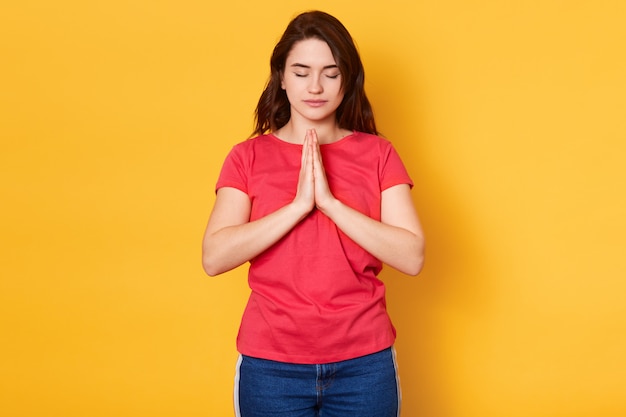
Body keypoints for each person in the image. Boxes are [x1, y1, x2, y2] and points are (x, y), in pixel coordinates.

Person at [202, 10, 425, 417]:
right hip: (271, 367)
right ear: (281, 78)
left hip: (365, 365)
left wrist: (331, 204)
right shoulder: (247, 157)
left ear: (348, 80)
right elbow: (214, 257)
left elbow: (412, 257)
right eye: (302, 72)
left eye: (331, 73)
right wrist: (298, 207)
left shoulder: (379, 154)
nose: (316, 87)